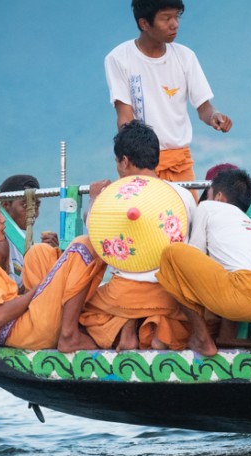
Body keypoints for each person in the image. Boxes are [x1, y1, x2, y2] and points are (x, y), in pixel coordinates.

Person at [157, 169, 251, 356]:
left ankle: (202, 338)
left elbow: (195, 254)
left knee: (173, 254)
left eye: (208, 194)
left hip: (246, 294)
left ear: (218, 196)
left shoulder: (208, 207)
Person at [78, 121, 198, 350]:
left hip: (123, 295)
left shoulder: (111, 200)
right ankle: (157, 328)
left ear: (125, 160)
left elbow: (95, 233)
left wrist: (95, 198)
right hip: (169, 295)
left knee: (83, 312)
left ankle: (127, 326)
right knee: (183, 317)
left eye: (117, 162)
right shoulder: (183, 196)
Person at [0, 182, 104, 351]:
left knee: (39, 252)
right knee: (83, 245)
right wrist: (38, 290)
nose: (3, 219)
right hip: (23, 332)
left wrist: (42, 289)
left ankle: (71, 323)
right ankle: (69, 335)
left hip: (24, 326)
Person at [105, 0, 232, 184]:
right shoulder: (119, 58)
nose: (174, 24)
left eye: (177, 17)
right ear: (144, 23)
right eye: (166, 18)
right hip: (142, 162)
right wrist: (134, 158)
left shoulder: (185, 56)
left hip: (179, 162)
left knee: (185, 215)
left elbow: (204, 107)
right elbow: (125, 115)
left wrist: (215, 116)